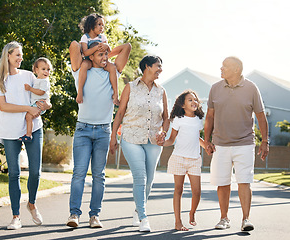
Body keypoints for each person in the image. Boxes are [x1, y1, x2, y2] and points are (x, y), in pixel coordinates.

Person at [66, 39, 131, 228]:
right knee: (78, 173)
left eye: (106, 54)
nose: (104, 57)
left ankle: (94, 215)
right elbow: (74, 45)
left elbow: (126, 48)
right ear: (91, 55)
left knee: (98, 175)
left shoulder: (112, 71)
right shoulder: (80, 70)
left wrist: (104, 53)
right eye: (100, 54)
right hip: (83, 130)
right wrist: (92, 51)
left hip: (103, 130)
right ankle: (74, 214)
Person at [0, 41, 51, 230]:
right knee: (14, 173)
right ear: (8, 55)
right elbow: (3, 106)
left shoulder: (29, 75)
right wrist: (27, 108)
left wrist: (46, 106)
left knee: (35, 172)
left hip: (33, 127)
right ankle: (16, 216)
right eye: (17, 54)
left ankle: (31, 203)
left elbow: (43, 97)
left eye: (21, 54)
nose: (20, 58)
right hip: (9, 130)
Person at [204, 56, 269, 232]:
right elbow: (209, 116)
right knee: (223, 182)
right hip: (220, 144)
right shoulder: (215, 88)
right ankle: (224, 218)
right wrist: (207, 140)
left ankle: (245, 219)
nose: (221, 68)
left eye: (225, 66)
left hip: (245, 143)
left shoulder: (251, 88)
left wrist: (265, 141)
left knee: (244, 181)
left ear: (236, 69)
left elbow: (261, 116)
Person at [109, 55, 169, 232]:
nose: (160, 69)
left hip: (153, 141)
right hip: (131, 137)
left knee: (149, 180)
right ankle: (143, 217)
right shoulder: (131, 87)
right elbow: (120, 114)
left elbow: (166, 118)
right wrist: (113, 137)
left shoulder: (162, 91)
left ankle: (137, 209)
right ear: (147, 67)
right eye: (158, 66)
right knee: (140, 177)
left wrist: (163, 132)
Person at [162, 90, 205, 231]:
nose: (194, 102)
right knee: (178, 190)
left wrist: (207, 145)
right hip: (179, 158)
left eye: (195, 100)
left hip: (194, 160)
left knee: (197, 192)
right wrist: (161, 143)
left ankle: (192, 213)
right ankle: (178, 222)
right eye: (190, 100)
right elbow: (171, 140)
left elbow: (196, 138)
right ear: (183, 104)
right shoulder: (178, 119)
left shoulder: (199, 121)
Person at [76, 13, 120, 105]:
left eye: (103, 25)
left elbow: (109, 50)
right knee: (84, 65)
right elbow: (85, 52)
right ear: (92, 25)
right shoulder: (85, 37)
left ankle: (116, 93)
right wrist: (96, 48)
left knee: (112, 68)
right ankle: (80, 91)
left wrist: (106, 45)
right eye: (99, 24)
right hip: (89, 60)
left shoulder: (102, 37)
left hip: (101, 61)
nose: (102, 27)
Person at [20, 57, 52, 141]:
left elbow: (41, 92)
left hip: (40, 104)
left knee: (28, 116)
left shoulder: (45, 81)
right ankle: (28, 133)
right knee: (28, 117)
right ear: (36, 70)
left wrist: (30, 89)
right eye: (43, 69)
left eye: (48, 69)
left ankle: (28, 134)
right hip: (37, 103)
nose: (46, 71)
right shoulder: (37, 80)